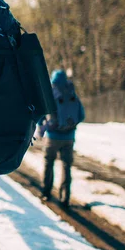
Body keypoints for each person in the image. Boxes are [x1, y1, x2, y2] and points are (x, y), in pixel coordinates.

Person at [37, 69, 85, 208]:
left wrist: (42, 127)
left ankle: (46, 192)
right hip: (69, 138)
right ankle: (65, 197)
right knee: (66, 166)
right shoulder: (72, 94)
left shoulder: (51, 93)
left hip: (52, 137)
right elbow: (81, 115)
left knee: (48, 163)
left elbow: (42, 114)